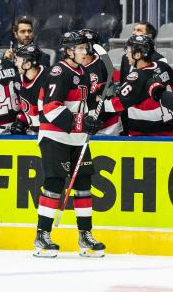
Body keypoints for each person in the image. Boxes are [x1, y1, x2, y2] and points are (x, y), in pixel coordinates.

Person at [34, 31, 105, 258]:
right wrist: (83, 121)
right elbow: (52, 108)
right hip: (55, 136)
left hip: (77, 138)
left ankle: (85, 235)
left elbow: (86, 105)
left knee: (84, 184)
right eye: (81, 48)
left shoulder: (83, 72)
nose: (85, 52)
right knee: (54, 184)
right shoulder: (59, 72)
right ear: (69, 51)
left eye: (86, 48)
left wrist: (97, 112)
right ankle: (42, 235)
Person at [103, 34, 173, 137]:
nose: (126, 55)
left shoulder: (135, 76)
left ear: (138, 55)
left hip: (148, 138)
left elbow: (115, 105)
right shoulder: (164, 66)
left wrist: (99, 102)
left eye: (129, 51)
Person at [79, 29, 122, 135]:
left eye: (80, 45)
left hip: (107, 125)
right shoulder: (73, 66)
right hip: (84, 124)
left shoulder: (102, 66)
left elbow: (107, 96)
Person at [12, 44, 47, 134]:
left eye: (18, 61)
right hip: (32, 132)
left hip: (49, 133)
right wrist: (21, 120)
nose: (15, 64)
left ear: (28, 64)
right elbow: (24, 107)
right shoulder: (17, 79)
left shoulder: (48, 80)